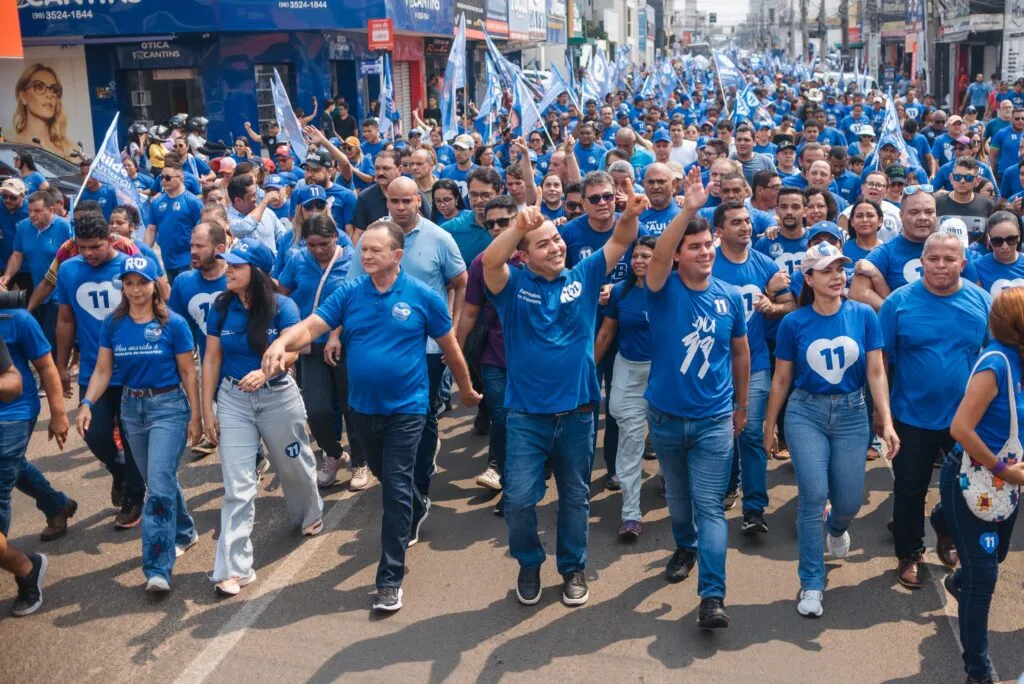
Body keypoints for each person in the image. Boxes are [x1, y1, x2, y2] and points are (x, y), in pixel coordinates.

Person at [263, 219, 480, 612]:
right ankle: (418, 504)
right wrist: (282, 341)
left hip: (408, 408)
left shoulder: (421, 296)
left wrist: (464, 390)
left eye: (374, 250)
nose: (365, 256)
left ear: (397, 256)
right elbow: (311, 326)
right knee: (386, 475)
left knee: (393, 488)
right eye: (363, 250)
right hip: (363, 410)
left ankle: (390, 579)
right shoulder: (349, 293)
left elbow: (449, 348)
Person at [480, 173, 642, 607]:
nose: (556, 247)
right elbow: (489, 264)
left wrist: (632, 211)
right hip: (527, 416)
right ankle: (529, 562)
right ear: (525, 255)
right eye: (544, 244)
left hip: (578, 413)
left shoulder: (585, 275)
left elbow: (623, 238)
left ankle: (572, 568)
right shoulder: (512, 286)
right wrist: (518, 224)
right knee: (517, 500)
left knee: (575, 497)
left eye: (557, 239)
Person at [764, 242, 899, 617]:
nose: (838, 277)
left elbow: (875, 371)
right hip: (805, 412)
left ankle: (836, 528)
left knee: (850, 499)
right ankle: (811, 582)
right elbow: (781, 379)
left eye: (841, 269)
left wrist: (885, 421)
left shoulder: (864, 316)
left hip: (853, 413)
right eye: (827, 270)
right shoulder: (794, 322)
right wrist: (769, 424)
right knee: (812, 495)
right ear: (808, 278)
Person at [643, 167, 749, 629]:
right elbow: (659, 254)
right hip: (665, 419)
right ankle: (683, 544)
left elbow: (741, 353)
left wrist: (741, 407)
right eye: (696, 247)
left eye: (709, 246)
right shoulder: (661, 289)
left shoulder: (729, 297)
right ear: (680, 255)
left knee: (709, 506)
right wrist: (687, 207)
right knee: (679, 501)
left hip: (713, 421)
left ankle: (712, 596)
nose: (706, 253)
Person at [202, 238, 324, 597]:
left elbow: (294, 352)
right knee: (237, 486)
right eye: (228, 264)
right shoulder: (221, 307)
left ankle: (308, 511)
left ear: (256, 272)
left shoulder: (283, 307)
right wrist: (206, 407)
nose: (228, 270)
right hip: (233, 399)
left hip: (277, 398)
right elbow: (210, 358)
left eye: (237, 266)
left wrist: (266, 373)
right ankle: (234, 568)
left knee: (294, 465)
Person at [76, 255, 200, 592]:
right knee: (158, 479)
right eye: (128, 283)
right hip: (132, 408)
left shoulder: (173, 323)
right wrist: (87, 402)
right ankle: (185, 531)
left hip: (168, 408)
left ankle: (157, 568)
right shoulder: (113, 324)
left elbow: (189, 371)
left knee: (156, 488)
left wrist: (198, 416)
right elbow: (103, 370)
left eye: (142, 283)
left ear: (154, 285)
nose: (135, 290)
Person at [878, 232, 992, 589]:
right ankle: (910, 552)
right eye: (934, 259)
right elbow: (879, 362)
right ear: (922, 262)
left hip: (966, 421)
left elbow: (995, 359)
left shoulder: (982, 302)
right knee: (910, 491)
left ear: (962, 263)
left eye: (949, 259)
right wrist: (883, 418)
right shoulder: (897, 303)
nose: (941, 265)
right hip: (910, 417)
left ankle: (945, 530)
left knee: (963, 489)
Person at [347, 177, 467, 505]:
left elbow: (460, 281)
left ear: (418, 201)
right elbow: (352, 285)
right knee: (381, 420)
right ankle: (400, 481)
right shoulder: (373, 238)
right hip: (379, 345)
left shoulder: (439, 238)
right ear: (387, 202)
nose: (400, 208)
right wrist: (334, 334)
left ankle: (419, 486)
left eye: (407, 201)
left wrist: (453, 329)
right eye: (394, 201)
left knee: (423, 415)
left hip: (426, 346)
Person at [933, 287, 1024, 684]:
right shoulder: (995, 364)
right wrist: (1004, 469)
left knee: (994, 557)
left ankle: (943, 522)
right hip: (972, 475)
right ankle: (978, 672)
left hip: (1006, 483)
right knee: (984, 577)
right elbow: (960, 429)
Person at [55, 214, 146, 528]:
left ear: (110, 239)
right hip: (95, 372)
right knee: (95, 435)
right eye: (82, 248)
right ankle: (119, 471)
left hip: (135, 368)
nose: (89, 254)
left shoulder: (131, 268)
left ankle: (134, 496)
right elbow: (66, 320)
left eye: (95, 246)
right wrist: (61, 366)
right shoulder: (68, 270)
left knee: (134, 438)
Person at [713, 200, 795, 530]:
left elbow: (791, 304)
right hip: (714, 365)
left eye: (747, 221)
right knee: (722, 433)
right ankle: (727, 486)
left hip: (757, 362)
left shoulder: (764, 263)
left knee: (749, 432)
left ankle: (754, 508)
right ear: (719, 231)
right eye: (736, 222)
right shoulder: (709, 263)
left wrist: (771, 305)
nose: (745, 226)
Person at [276, 214, 365, 490]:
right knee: (316, 410)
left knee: (353, 408)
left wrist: (336, 334)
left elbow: (357, 302)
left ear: (336, 238)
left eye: (323, 244)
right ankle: (335, 455)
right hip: (310, 348)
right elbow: (282, 291)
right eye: (311, 244)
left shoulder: (352, 260)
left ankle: (360, 463)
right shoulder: (298, 260)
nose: (317, 250)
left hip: (346, 346)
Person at [594, 235, 656, 539]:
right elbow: (606, 334)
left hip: (663, 374)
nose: (640, 261)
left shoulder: (671, 290)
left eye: (647, 256)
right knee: (629, 436)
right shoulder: (620, 292)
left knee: (665, 436)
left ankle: (670, 484)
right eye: (636, 256)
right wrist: (588, 366)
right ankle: (630, 514)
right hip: (628, 369)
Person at [0, 305, 73, 542]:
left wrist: (59, 415)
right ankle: (56, 505)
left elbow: (45, 366)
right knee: (14, 467)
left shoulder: (18, 319)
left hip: (16, 412)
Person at [1, 191, 72, 351]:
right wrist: (7, 275)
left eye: (37, 211)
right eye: (30, 210)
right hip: (36, 288)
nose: (32, 215)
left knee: (51, 334)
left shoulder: (64, 227)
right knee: (40, 332)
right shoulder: (24, 226)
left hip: (59, 292)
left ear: (51, 209)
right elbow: (17, 255)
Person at [145, 162, 204, 282]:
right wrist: (143, 252)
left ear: (181, 179)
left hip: (188, 260)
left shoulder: (193, 201)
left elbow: (203, 230)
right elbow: (151, 229)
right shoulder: (157, 202)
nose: (163, 181)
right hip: (168, 261)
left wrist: (198, 256)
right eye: (161, 177)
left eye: (168, 178)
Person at [10, 63, 75, 158]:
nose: (49, 95)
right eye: (39, 87)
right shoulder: (10, 149)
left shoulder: (72, 149)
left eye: (54, 89)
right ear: (23, 96)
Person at [935, 157, 995, 238]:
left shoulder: (988, 205)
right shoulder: (936, 204)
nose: (962, 181)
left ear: (977, 181)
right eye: (957, 177)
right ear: (951, 179)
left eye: (968, 178)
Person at [227, 174, 287, 252]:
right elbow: (246, 227)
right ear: (238, 201)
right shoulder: (227, 219)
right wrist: (265, 201)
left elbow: (283, 237)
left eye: (256, 194)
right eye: (252, 196)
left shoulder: (267, 212)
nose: (256, 198)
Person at [973, 212, 1024, 296]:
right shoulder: (977, 267)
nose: (1005, 246)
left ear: (1019, 236)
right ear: (989, 240)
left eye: (1011, 239)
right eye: (997, 241)